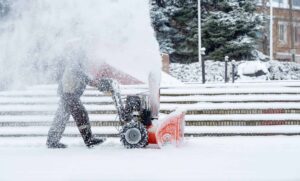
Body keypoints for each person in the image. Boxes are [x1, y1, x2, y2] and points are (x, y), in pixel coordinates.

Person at [46, 43, 105, 148]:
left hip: (67, 94)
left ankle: (52, 140)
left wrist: (96, 82)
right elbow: (83, 76)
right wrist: (97, 84)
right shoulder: (75, 64)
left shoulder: (76, 63)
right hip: (69, 94)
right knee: (81, 115)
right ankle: (89, 139)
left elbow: (84, 76)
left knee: (61, 118)